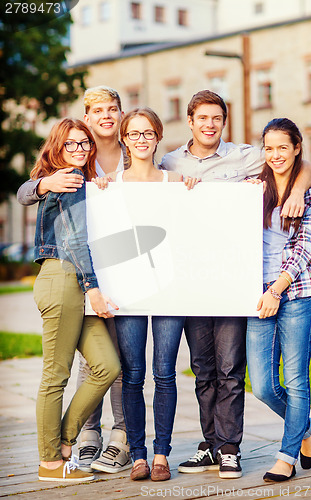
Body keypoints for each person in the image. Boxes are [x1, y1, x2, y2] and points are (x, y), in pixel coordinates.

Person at [160, 90, 311, 479]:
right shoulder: (170, 161)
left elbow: (297, 163)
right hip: (195, 281)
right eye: (203, 118)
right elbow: (144, 188)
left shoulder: (247, 157)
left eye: (217, 118)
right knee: (208, 369)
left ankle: (242, 448)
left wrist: (297, 189)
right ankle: (212, 444)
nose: (210, 124)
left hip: (246, 286)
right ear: (191, 121)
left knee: (236, 369)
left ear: (224, 122)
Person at [17, 86, 130, 474]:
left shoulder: (78, 180)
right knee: (56, 374)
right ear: (59, 148)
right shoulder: (67, 181)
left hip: (74, 281)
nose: (81, 148)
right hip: (65, 279)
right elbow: (74, 241)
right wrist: (93, 289)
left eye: (85, 143)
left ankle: (65, 439)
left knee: (107, 366)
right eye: (72, 143)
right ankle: (50, 461)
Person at [94, 107, 197, 482]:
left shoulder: (177, 182)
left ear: (157, 137)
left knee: (164, 372)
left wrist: (194, 192)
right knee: (133, 373)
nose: (140, 139)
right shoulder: (110, 185)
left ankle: (161, 455)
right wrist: (101, 190)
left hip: (169, 288)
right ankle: (137, 454)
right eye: (133, 134)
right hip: (128, 292)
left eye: (147, 133)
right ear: (124, 139)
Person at [246, 118, 311, 482]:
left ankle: (286, 455)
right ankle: (306, 427)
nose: (275, 154)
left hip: (296, 293)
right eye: (269, 148)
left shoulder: (310, 196)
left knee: (296, 380)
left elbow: (306, 249)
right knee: (262, 385)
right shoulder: (252, 190)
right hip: (258, 296)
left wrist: (277, 289)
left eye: (283, 147)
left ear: (296, 148)